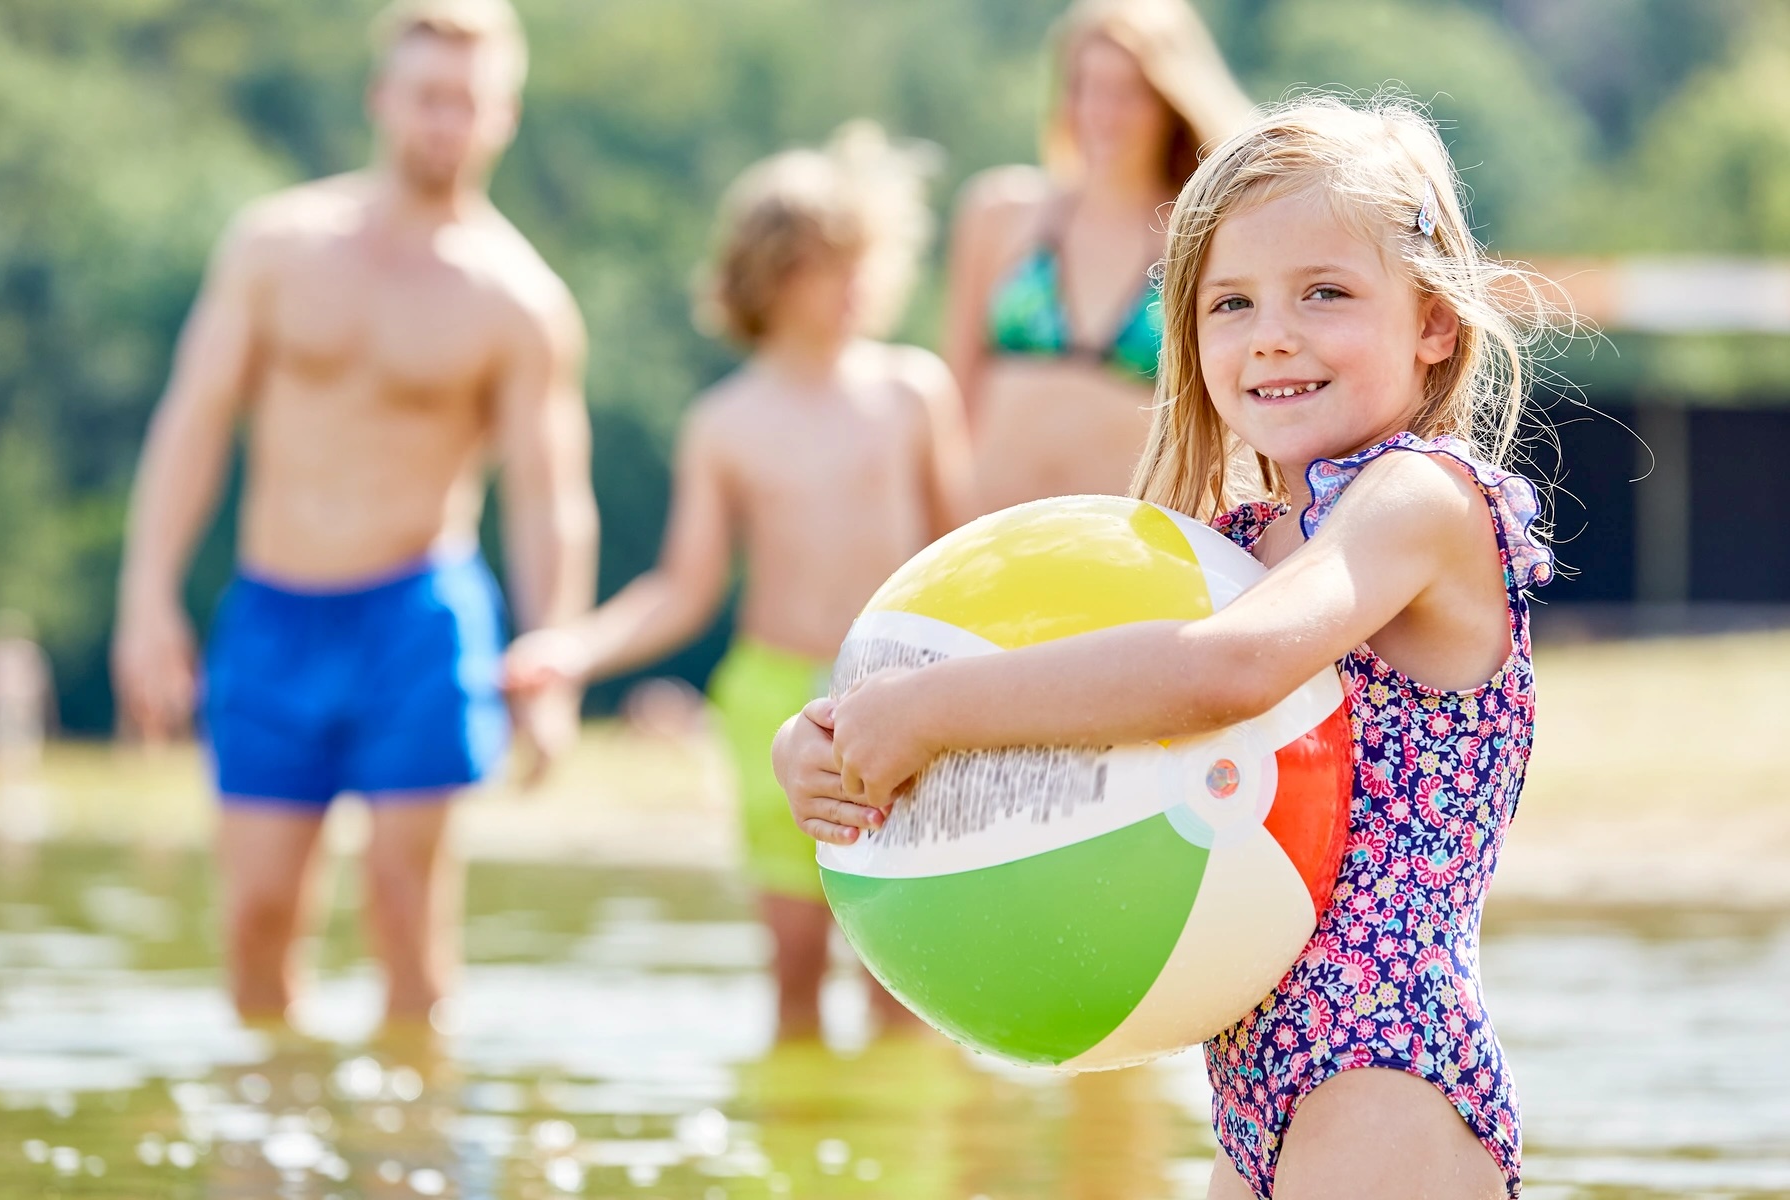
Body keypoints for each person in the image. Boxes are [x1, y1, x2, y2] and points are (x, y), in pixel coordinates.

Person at [777, 96, 1565, 1199]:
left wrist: (930, 712)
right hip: (1249, 1087)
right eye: (1229, 303)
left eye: (1324, 294)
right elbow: (1072, 702)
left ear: (1433, 322)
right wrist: (827, 738)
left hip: (1387, 1067)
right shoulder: (1229, 549)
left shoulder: (1419, 502)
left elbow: (1220, 671)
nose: (1272, 335)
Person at [111, 0, 597, 1026]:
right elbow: (192, 424)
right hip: (275, 612)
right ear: (382, 100)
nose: (444, 122)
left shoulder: (518, 300)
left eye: (468, 102)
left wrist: (553, 654)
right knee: (255, 916)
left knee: (405, 912)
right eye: (427, 97)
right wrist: (147, 597)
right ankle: (268, 1164)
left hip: (416, 617)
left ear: (503, 115)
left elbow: (550, 495)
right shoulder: (276, 247)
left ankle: (412, 1168)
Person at [503, 123, 969, 1039]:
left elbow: (967, 555)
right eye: (824, 266)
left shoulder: (913, 392)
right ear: (767, 278)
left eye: (862, 261)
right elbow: (685, 587)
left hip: (905, 692)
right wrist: (574, 649)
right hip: (771, 702)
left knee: (905, 972)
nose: (852, 286)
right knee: (794, 965)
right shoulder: (727, 423)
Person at [943, 0, 1249, 515]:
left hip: (1130, 549)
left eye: (1128, 92)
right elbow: (954, 398)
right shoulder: (999, 212)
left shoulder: (1203, 234)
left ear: (1171, 101)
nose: (1102, 112)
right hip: (990, 541)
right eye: (1085, 87)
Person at [0, 609, 53, 843]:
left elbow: (38, 682)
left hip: (24, 704)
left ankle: (23, 784)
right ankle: (9, 786)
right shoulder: (1, 654)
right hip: (9, 704)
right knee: (7, 744)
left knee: (26, 743)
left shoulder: (28, 654)